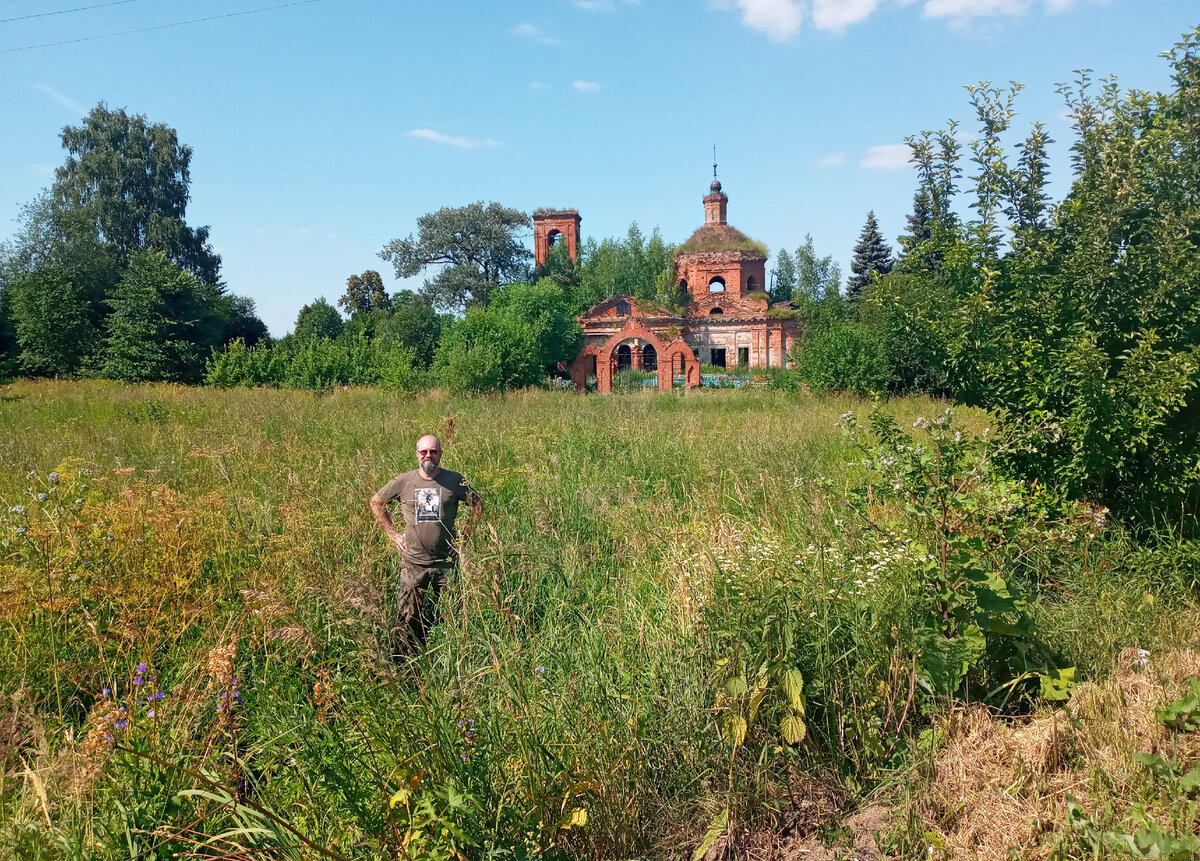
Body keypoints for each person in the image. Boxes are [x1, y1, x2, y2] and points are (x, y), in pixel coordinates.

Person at [369, 434, 483, 655]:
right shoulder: (404, 480)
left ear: (440, 453)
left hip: (446, 563)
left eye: (433, 451)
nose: (428, 456)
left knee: (453, 617)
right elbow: (376, 501)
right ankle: (407, 662)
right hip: (413, 563)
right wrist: (393, 535)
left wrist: (464, 538)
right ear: (417, 454)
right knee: (407, 618)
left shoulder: (455, 480)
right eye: (424, 452)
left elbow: (478, 504)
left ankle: (450, 658)